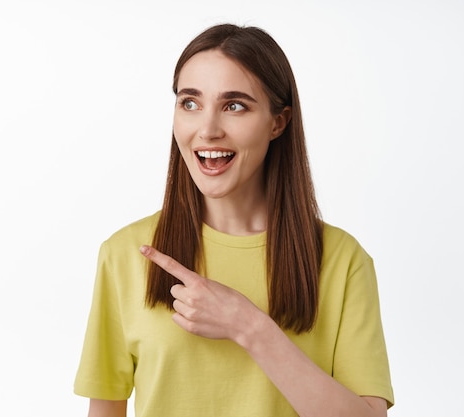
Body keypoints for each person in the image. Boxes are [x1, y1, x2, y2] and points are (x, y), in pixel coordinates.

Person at [74, 23, 394, 417]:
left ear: (278, 122)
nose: (207, 130)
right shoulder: (125, 254)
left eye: (234, 105)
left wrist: (249, 326)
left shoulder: (342, 261)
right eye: (190, 103)